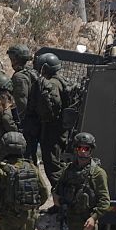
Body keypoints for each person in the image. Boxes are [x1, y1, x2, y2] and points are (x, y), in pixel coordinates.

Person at [35, 53, 71, 192]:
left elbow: (53, 106)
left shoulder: (52, 84)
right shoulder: (62, 80)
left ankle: (61, 199)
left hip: (53, 129)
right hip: (61, 129)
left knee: (52, 164)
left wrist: (45, 117)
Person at [6, 44, 42, 163]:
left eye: (12, 57)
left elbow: (21, 103)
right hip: (34, 123)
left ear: (16, 58)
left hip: (26, 124)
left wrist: (16, 124)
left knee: (26, 158)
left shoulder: (19, 77)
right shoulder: (32, 73)